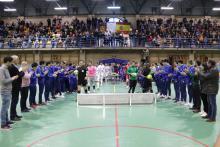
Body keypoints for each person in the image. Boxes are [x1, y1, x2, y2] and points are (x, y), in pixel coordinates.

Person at [0, 56, 18, 129]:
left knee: (6, 107)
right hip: (5, 91)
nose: (11, 63)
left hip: (8, 90)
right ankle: (3, 124)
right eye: (11, 62)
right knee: (4, 108)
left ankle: (6, 121)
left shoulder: (6, 69)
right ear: (7, 62)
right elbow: (3, 81)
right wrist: (13, 78)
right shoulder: (1, 69)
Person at [8, 55, 25, 121]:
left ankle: (15, 114)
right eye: (17, 59)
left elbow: (17, 75)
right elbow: (17, 76)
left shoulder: (14, 66)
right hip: (14, 86)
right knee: (14, 101)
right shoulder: (12, 67)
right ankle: (12, 116)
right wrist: (22, 72)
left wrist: (20, 73)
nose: (18, 60)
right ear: (14, 60)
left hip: (16, 86)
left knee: (15, 100)